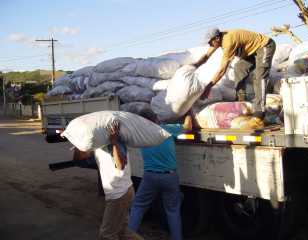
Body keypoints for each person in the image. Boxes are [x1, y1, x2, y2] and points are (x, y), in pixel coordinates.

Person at [72, 120, 143, 240]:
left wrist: (114, 141)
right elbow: (79, 159)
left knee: (107, 235)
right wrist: (78, 142)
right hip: (120, 193)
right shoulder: (98, 144)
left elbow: (120, 165)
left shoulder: (117, 142)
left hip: (120, 194)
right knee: (122, 233)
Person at [194, 28, 276, 129]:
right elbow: (207, 55)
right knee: (239, 68)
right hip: (250, 53)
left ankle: (259, 114)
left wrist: (209, 87)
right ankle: (241, 102)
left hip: (264, 46)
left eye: (210, 43)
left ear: (216, 38)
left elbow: (222, 70)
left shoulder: (228, 42)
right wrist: (194, 66)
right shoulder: (218, 40)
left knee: (260, 76)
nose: (210, 45)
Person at [128, 110, 192, 240]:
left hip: (149, 177)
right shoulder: (167, 129)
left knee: (138, 207)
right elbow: (188, 127)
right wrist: (189, 112)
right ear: (156, 119)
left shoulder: (141, 135)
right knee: (173, 211)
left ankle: (128, 236)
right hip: (170, 177)